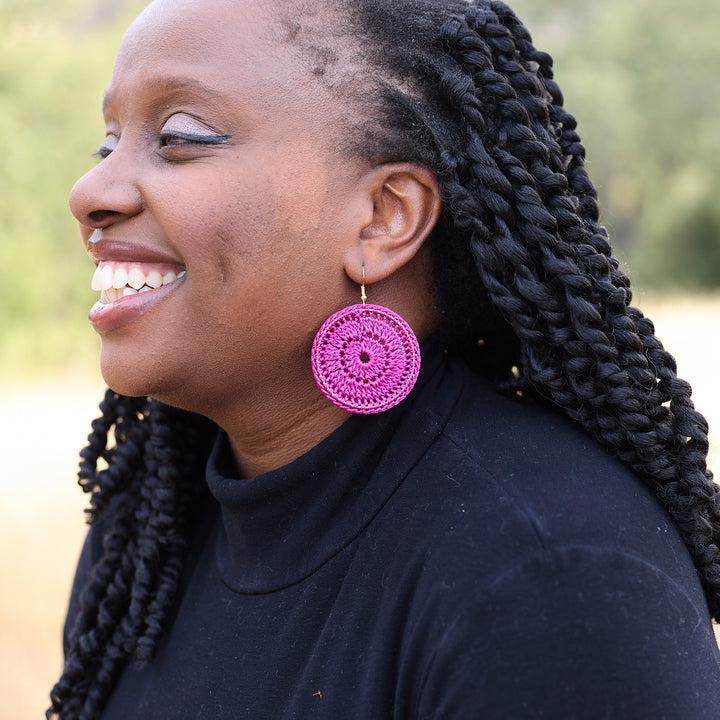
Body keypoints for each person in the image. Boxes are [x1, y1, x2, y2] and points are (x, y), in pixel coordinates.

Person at [49, 0, 720, 718]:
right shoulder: (144, 540)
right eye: (108, 143)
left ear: (384, 218)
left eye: (180, 137)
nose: (90, 193)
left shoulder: (551, 573)